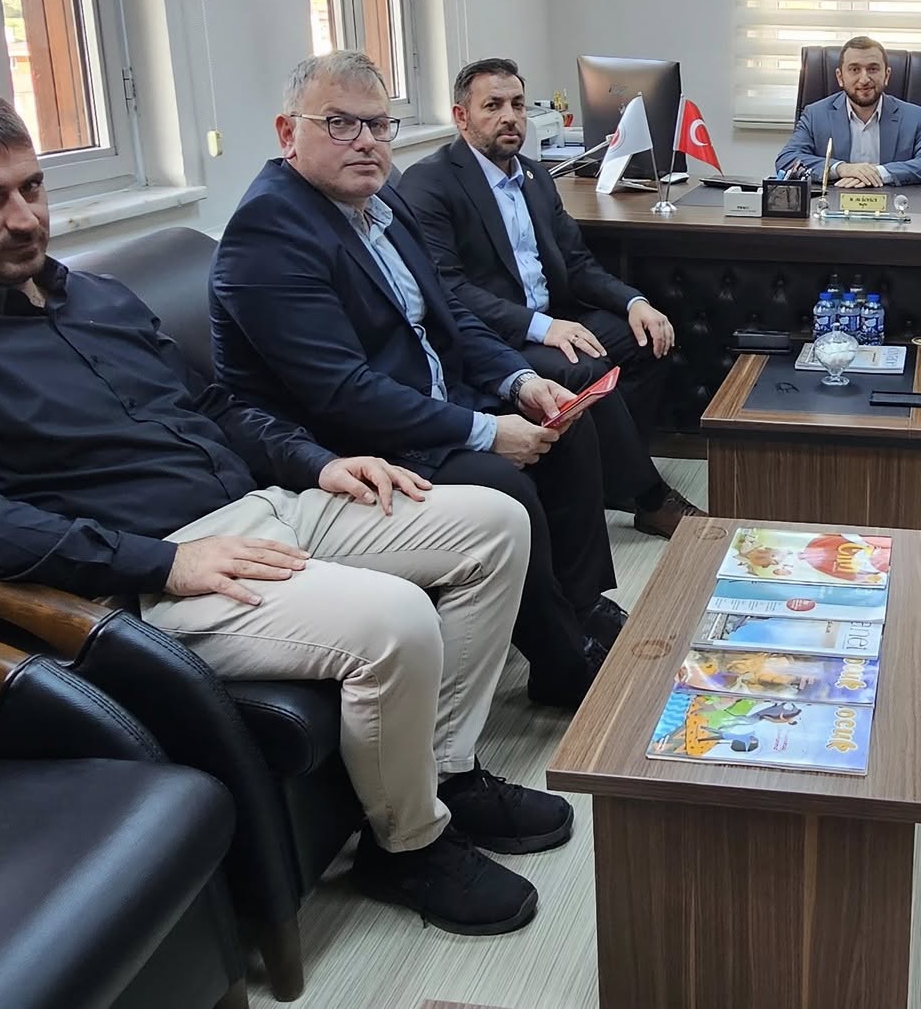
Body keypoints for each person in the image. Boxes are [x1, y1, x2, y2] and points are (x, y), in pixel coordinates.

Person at [0, 86, 566, 938]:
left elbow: (215, 408)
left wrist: (319, 463)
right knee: (395, 619)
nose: (24, 218)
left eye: (31, 187)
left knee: (493, 524)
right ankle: (408, 846)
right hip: (151, 575)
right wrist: (164, 562)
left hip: (263, 507)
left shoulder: (96, 299)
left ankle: (444, 773)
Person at [212, 51, 625, 709]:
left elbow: (449, 315)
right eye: (341, 123)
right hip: (350, 444)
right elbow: (342, 392)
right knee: (503, 483)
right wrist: (485, 430)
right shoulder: (270, 229)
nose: (366, 142)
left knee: (568, 425)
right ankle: (562, 662)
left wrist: (518, 380)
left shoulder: (381, 201)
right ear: (289, 133)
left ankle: (581, 608)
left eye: (379, 125)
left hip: (427, 399)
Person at [396, 57, 708, 537]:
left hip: (552, 316)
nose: (510, 117)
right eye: (493, 106)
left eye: (518, 105)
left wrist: (635, 303)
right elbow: (448, 289)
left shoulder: (536, 177)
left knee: (650, 339)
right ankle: (649, 499)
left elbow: (577, 263)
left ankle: (611, 475)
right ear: (461, 117)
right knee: (585, 372)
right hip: (491, 337)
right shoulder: (430, 182)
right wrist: (542, 327)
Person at [775, 35, 921, 187]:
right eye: (854, 69)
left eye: (873, 69)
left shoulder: (915, 117)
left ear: (886, 75)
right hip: (833, 207)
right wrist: (840, 168)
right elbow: (787, 160)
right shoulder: (815, 115)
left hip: (894, 206)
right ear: (840, 77)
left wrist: (879, 173)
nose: (864, 79)